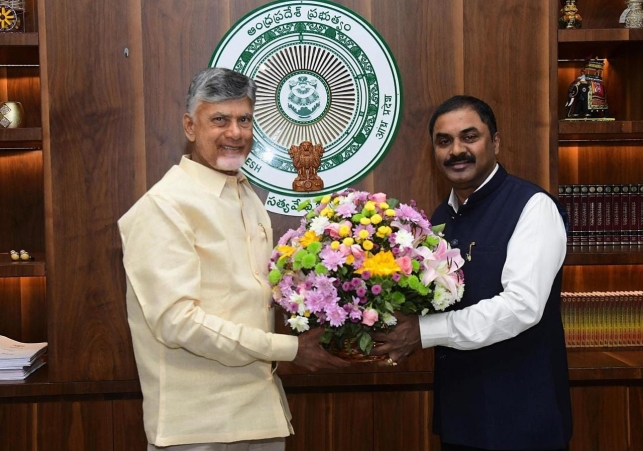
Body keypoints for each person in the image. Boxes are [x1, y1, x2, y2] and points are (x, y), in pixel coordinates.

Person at [118, 67, 348, 451]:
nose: (235, 133)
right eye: (220, 120)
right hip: (198, 431)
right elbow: (179, 323)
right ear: (190, 126)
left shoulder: (247, 198)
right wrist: (290, 349)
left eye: (244, 120)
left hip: (262, 416)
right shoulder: (163, 207)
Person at [371, 95, 573, 451]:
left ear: (494, 142)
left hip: (521, 420)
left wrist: (421, 333)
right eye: (444, 141)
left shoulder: (532, 207)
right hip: (461, 417)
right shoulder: (439, 219)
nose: (456, 150)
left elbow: (521, 307)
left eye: (470, 137)